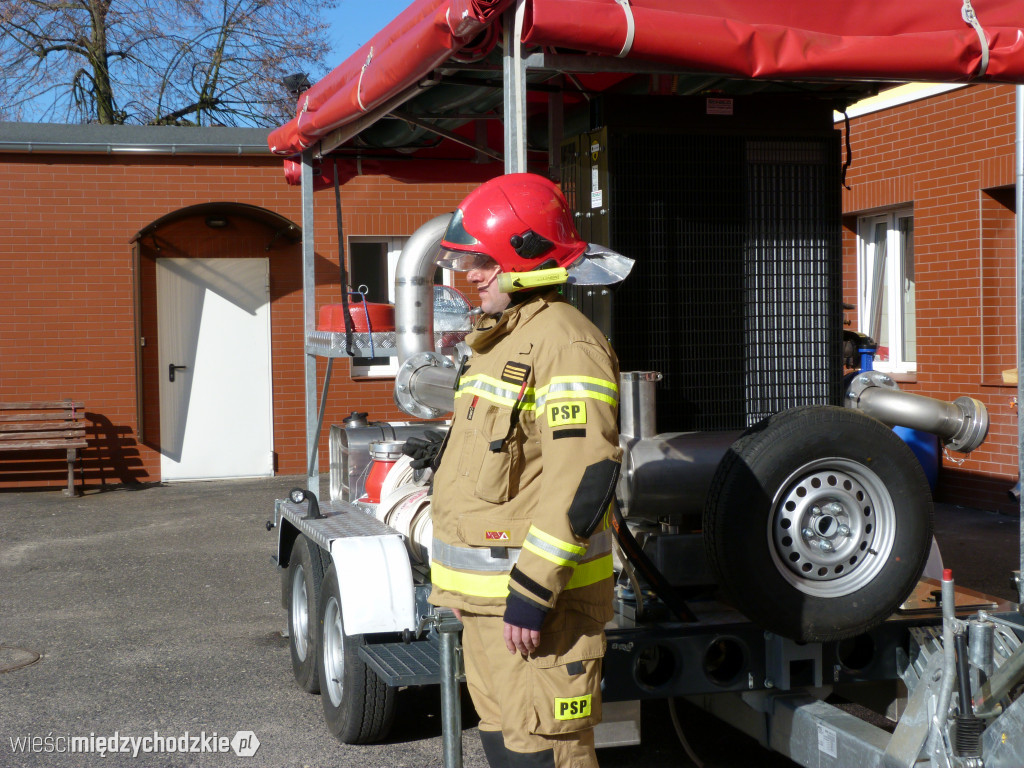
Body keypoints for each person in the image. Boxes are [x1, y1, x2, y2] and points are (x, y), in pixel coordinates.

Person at [422, 173, 632, 768]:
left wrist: (533, 591)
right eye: (468, 262)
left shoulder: (566, 343)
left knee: (545, 754)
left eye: (484, 262)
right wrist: (459, 587)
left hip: (540, 610)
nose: (471, 276)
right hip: (491, 608)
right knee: (508, 747)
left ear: (527, 260)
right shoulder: (499, 342)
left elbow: (583, 477)